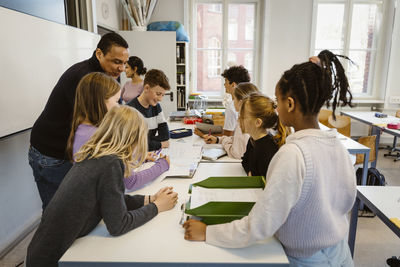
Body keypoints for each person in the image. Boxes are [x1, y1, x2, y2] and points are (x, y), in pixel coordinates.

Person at [183, 50, 357, 266]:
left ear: (290, 104)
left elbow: (260, 225)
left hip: (305, 259)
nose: (275, 106)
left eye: (278, 100)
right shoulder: (337, 145)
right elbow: (347, 200)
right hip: (340, 253)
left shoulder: (293, 154)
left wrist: (208, 232)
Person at [26, 105, 178, 267]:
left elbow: (111, 199)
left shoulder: (98, 154)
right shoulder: (111, 163)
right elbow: (119, 225)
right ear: (132, 138)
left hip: (41, 252)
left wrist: (148, 199)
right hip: (50, 260)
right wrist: (157, 206)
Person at [29, 32, 130, 210]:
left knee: (75, 209)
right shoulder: (83, 77)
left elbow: (115, 116)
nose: (121, 68)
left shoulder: (109, 73)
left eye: (124, 63)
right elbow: (100, 123)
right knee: (58, 212)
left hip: (69, 150)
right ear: (99, 54)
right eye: (116, 61)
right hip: (51, 153)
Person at [66, 72, 170, 191]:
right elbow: (131, 181)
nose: (118, 107)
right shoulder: (100, 137)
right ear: (100, 101)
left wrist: (141, 156)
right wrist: (162, 165)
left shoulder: (83, 129)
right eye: (116, 101)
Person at [200, 82, 258, 159]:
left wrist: (224, 143)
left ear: (240, 102)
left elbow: (236, 153)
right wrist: (218, 140)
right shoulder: (250, 117)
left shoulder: (244, 123)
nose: (233, 102)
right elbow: (236, 140)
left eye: (234, 99)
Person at [240, 94, 288, 176]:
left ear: (258, 122)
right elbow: (245, 161)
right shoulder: (253, 139)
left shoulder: (267, 151)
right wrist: (250, 173)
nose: (239, 120)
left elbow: (266, 182)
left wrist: (253, 175)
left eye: (243, 117)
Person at [127, 69, 170, 151]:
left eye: (163, 95)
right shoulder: (130, 110)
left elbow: (165, 136)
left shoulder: (156, 107)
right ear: (146, 88)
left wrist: (147, 142)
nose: (160, 99)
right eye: (158, 94)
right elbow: (134, 145)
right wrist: (160, 144)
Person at [221, 65, 250, 136]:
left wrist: (204, 135)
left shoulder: (232, 107)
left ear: (233, 85)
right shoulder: (249, 103)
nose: (224, 85)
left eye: (226, 81)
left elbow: (227, 136)